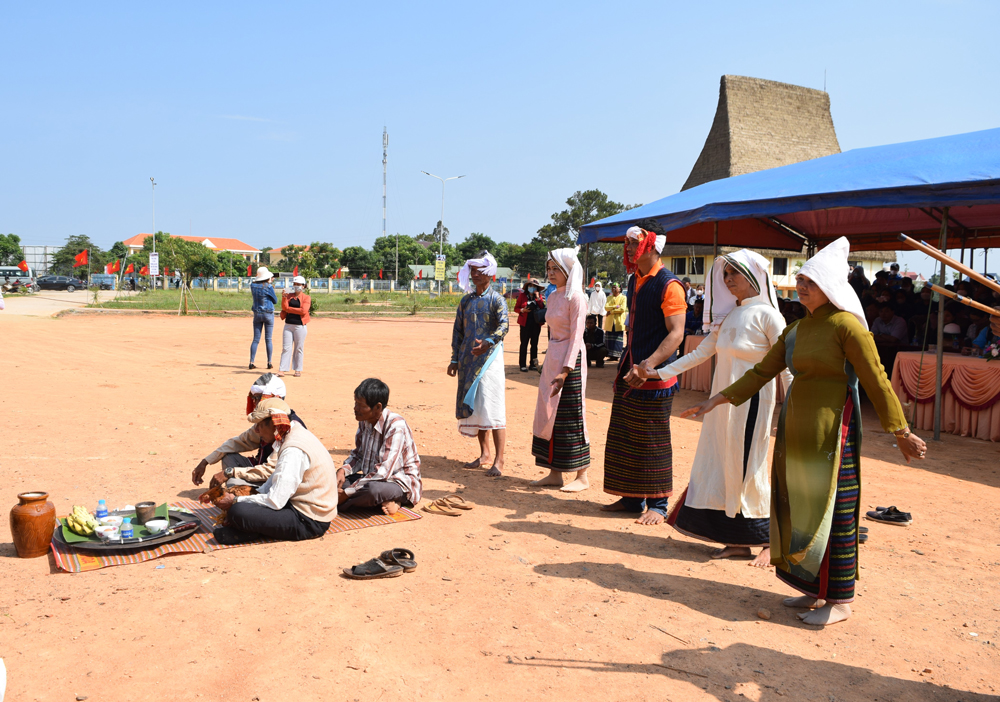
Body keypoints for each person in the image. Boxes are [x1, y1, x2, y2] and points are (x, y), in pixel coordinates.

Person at [681, 237, 927, 627]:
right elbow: (762, 372)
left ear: (830, 287)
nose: (801, 287)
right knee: (798, 505)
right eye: (800, 281)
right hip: (796, 425)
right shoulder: (795, 329)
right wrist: (717, 400)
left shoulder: (848, 327)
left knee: (834, 510)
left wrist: (901, 431)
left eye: (810, 282)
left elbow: (877, 380)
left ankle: (840, 598)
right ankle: (812, 587)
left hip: (832, 429)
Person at [634, 250, 791, 567]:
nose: (728, 279)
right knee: (725, 463)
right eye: (725, 275)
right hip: (721, 404)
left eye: (734, 273)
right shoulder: (729, 316)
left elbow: (787, 365)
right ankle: (736, 540)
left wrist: (792, 406)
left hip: (752, 404)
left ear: (752, 277)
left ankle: (767, 539)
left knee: (751, 465)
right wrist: (657, 372)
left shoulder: (769, 316)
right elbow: (699, 354)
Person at [601, 219, 687, 525]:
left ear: (651, 244)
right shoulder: (633, 279)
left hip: (655, 375)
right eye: (627, 242)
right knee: (625, 434)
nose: (628, 247)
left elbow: (676, 334)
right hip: (630, 367)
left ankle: (659, 503)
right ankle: (631, 497)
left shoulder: (669, 284)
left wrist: (648, 366)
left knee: (653, 438)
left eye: (634, 242)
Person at [211, 398, 338, 544]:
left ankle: (251, 530)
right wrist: (250, 495)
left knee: (238, 512)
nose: (257, 431)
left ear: (274, 424)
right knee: (244, 505)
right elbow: (274, 481)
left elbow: (275, 500)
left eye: (259, 425)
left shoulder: (292, 450)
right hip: (299, 505)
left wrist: (236, 500)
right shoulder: (293, 431)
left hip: (309, 520)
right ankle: (251, 527)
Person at [529, 247, 591, 492]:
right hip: (552, 359)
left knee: (571, 414)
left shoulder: (577, 298)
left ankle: (582, 475)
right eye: (549, 268)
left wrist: (566, 370)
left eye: (556, 268)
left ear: (568, 270)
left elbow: (576, 337)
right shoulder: (553, 296)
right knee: (548, 413)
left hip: (570, 362)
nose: (551, 272)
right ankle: (555, 473)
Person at [448, 251, 509, 477]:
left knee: (493, 407)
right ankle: (484, 454)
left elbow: (504, 326)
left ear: (489, 274)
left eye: (478, 271)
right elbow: (458, 332)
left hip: (490, 360)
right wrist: (454, 359)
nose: (474, 274)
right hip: (467, 359)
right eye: (472, 270)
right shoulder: (466, 301)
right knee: (478, 406)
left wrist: (488, 342)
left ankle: (499, 460)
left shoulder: (497, 300)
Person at [192, 373, 307, 489]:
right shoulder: (266, 424)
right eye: (254, 398)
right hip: (262, 470)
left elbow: (272, 470)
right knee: (229, 457)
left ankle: (241, 495)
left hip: (278, 481)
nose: (255, 403)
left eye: (258, 398)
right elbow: (238, 442)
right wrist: (205, 461)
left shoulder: (289, 429)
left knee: (234, 486)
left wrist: (230, 472)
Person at [337, 378, 422, 515]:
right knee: (334, 481)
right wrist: (342, 471)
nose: (355, 408)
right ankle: (372, 502)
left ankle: (396, 500)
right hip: (370, 478)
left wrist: (347, 493)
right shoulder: (364, 421)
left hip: (396, 483)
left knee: (373, 491)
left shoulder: (395, 425)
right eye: (355, 403)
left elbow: (383, 471)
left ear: (378, 407)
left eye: (361, 405)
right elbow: (358, 455)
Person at [279, 275, 310, 378]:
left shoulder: (306, 298)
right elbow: (284, 307)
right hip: (288, 325)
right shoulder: (288, 295)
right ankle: (282, 369)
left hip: (300, 326)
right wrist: (284, 297)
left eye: (299, 285)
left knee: (298, 348)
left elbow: (304, 311)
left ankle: (297, 369)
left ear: (303, 286)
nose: (296, 286)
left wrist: (289, 309)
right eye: (295, 284)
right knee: (286, 348)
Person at [249, 266, 278, 370]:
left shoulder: (252, 285)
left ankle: (251, 361)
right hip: (268, 313)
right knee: (268, 339)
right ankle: (269, 362)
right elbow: (275, 300)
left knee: (256, 339)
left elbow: (257, 284)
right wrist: (270, 284)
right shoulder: (268, 287)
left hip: (257, 313)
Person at [514, 277, 545, 372]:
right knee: (524, 344)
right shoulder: (522, 296)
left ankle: (533, 364)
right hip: (525, 323)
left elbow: (542, 307)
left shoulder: (538, 296)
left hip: (536, 323)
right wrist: (523, 310)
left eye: (534, 286)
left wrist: (537, 298)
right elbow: (516, 308)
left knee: (534, 344)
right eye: (530, 286)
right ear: (527, 287)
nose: (532, 288)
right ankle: (522, 364)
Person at [604, 282, 627, 360]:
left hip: (618, 322)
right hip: (610, 322)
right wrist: (615, 306)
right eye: (612, 287)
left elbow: (622, 309)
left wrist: (611, 311)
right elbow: (606, 307)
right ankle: (610, 355)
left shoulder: (623, 298)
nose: (613, 289)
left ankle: (617, 355)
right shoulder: (609, 298)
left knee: (617, 339)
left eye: (615, 287)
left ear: (620, 289)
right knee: (610, 338)